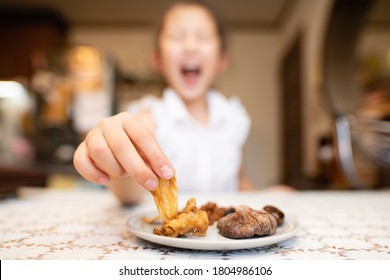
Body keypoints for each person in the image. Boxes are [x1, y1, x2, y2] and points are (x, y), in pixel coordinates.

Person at [73, 0, 254, 204]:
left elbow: (239, 182)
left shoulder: (233, 117)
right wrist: (119, 159)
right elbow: (129, 194)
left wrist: (270, 196)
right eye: (177, 36)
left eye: (203, 37)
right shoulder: (149, 115)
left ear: (222, 59)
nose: (190, 46)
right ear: (157, 58)